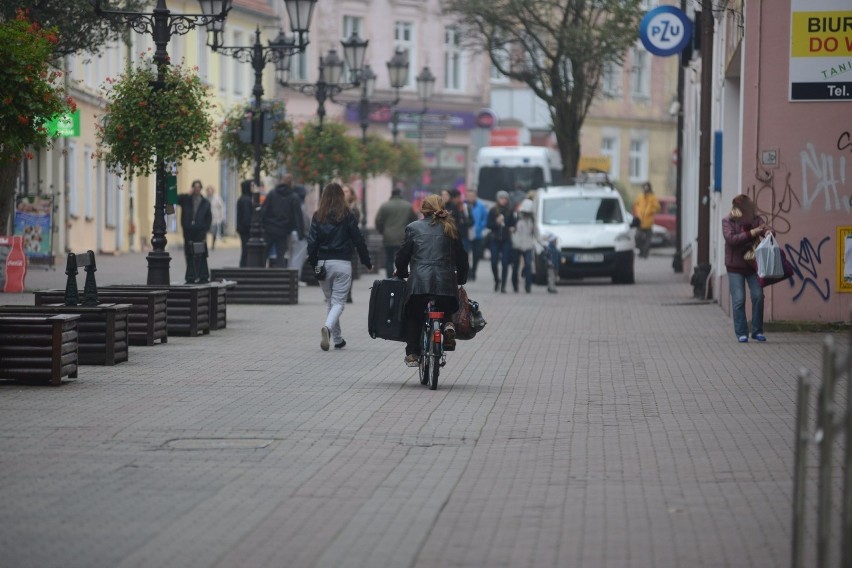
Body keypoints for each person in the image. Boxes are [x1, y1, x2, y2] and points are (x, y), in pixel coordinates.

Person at [395, 194, 469, 367]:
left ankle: (413, 353)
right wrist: (462, 277)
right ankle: (448, 325)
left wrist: (401, 271)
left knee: (414, 315)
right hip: (446, 283)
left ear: (423, 209)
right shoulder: (450, 228)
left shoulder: (413, 228)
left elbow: (402, 256)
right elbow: (462, 258)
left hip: (419, 283)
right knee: (445, 307)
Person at [308, 182, 373, 351]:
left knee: (331, 302)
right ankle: (328, 329)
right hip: (342, 263)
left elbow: (312, 243)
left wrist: (314, 264)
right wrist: (366, 261)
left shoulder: (318, 216)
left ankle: (338, 339)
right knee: (338, 303)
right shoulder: (347, 215)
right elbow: (358, 239)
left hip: (323, 264)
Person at [723, 194, 771, 343]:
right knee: (739, 299)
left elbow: (766, 228)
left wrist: (769, 232)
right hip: (735, 266)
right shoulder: (728, 221)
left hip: (752, 265)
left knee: (758, 296)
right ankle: (742, 332)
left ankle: (757, 331)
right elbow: (731, 239)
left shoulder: (755, 219)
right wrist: (752, 233)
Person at [260, 174, 303, 268]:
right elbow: (298, 216)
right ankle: (280, 279)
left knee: (264, 255)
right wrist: (301, 234)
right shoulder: (294, 197)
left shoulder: (272, 193)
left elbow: (264, 210)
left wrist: (262, 225)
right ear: (291, 183)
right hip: (283, 231)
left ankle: (261, 276)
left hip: (269, 229)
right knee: (281, 256)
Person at [375, 186, 417, 277]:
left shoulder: (384, 206)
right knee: (403, 257)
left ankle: (389, 278)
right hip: (403, 236)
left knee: (389, 259)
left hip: (388, 236)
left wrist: (383, 231)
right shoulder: (408, 206)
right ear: (400, 194)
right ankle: (401, 276)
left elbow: (378, 221)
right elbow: (414, 220)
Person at [176, 180, 212, 283]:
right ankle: (191, 275)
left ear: (201, 188)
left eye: (198, 187)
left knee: (200, 253)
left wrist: (205, 228)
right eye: (194, 187)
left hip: (200, 231)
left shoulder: (205, 202)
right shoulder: (186, 200)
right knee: (188, 253)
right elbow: (176, 199)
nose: (196, 189)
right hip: (188, 231)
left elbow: (209, 217)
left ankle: (200, 275)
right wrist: (187, 193)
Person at [487, 190, 516, 293]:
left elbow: (513, 224)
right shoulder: (493, 210)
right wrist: (496, 223)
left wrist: (512, 227)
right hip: (495, 239)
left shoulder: (509, 211)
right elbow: (488, 225)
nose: (503, 200)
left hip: (506, 240)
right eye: (501, 198)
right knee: (494, 262)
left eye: (505, 198)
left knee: (505, 263)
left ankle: (503, 285)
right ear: (497, 199)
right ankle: (497, 280)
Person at [511, 199, 536, 293]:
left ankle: (528, 286)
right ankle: (515, 284)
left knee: (528, 265)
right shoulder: (517, 217)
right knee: (515, 266)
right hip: (516, 245)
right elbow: (512, 229)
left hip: (528, 245)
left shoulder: (533, 219)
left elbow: (534, 232)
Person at [465, 189, 488, 281]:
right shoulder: (463, 205)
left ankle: (474, 270)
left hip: (477, 235)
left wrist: (480, 227)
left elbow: (485, 219)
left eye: (472, 195)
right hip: (466, 234)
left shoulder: (481, 206)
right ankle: (468, 271)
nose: (471, 197)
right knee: (466, 254)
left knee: (476, 254)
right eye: (469, 195)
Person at [634, 182, 660, 259]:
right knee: (637, 237)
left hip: (648, 222)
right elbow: (636, 205)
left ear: (649, 188)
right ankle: (641, 251)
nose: (645, 189)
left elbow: (657, 208)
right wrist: (637, 212)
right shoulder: (640, 197)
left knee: (647, 240)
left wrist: (651, 211)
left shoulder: (652, 197)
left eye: (647, 187)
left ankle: (645, 253)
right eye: (644, 187)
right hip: (640, 222)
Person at [288, 184, 310, 277]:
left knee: (292, 256)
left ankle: (291, 278)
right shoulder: (301, 205)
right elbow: (304, 222)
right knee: (298, 257)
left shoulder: (290, 203)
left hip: (291, 233)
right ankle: (295, 278)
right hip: (300, 234)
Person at [236, 179, 254, 267]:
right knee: (246, 251)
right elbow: (247, 217)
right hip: (246, 230)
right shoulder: (246, 200)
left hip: (243, 229)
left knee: (245, 250)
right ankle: (244, 268)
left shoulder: (244, 198)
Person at [206, 185, 225, 251]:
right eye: (208, 191)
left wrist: (221, 217)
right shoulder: (205, 198)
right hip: (206, 218)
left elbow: (222, 207)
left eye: (210, 191)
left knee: (214, 232)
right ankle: (205, 245)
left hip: (215, 218)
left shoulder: (217, 198)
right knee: (205, 232)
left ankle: (213, 245)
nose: (209, 192)